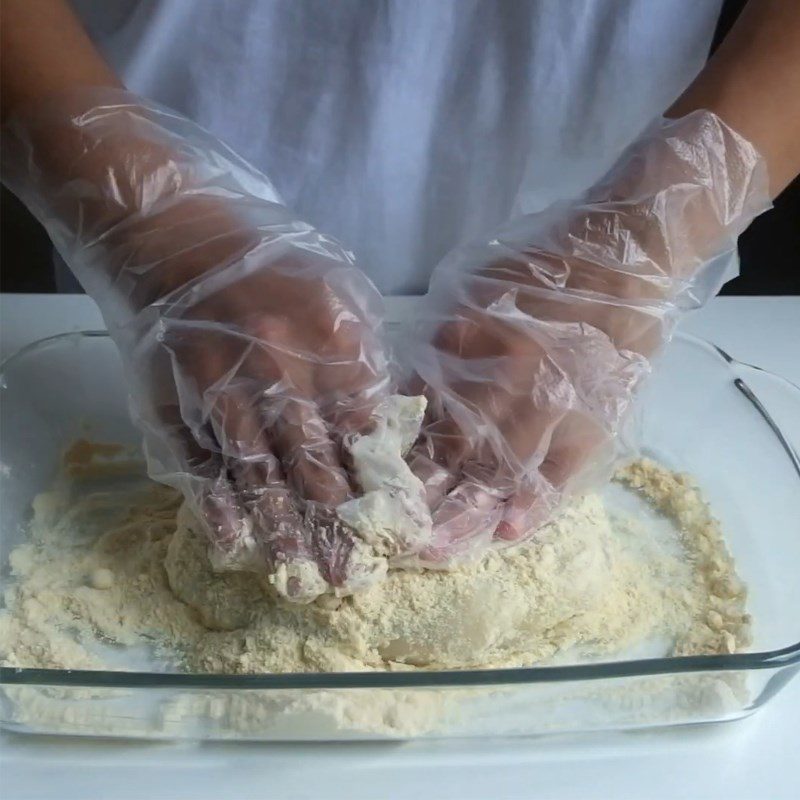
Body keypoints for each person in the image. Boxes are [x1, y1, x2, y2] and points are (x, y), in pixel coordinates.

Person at [2, 0, 798, 602]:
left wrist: (644, 238)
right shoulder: (150, 225)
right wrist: (155, 228)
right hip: (137, 168)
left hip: (601, 169)